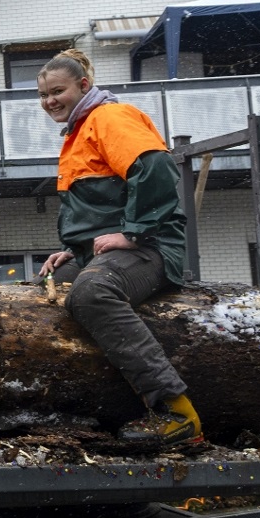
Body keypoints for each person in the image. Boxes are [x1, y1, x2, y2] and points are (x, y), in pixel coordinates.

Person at [35, 49, 198, 449]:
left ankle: (177, 411)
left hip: (152, 249)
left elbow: (156, 167)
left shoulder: (109, 117)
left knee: (92, 293)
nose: (50, 101)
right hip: (117, 250)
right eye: (43, 95)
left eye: (58, 91)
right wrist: (73, 251)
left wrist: (135, 234)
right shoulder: (78, 132)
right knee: (42, 291)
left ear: (84, 86)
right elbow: (100, 207)